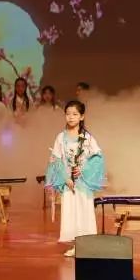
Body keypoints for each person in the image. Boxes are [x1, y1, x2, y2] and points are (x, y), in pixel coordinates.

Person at [45, 100, 105, 257]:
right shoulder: (61, 137)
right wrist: (66, 178)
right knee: (70, 213)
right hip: (68, 183)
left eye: (75, 114)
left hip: (83, 183)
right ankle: (75, 245)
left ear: (82, 116)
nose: (71, 117)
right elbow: (56, 159)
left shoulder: (87, 137)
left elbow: (97, 157)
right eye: (68, 114)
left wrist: (83, 169)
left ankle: (87, 245)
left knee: (84, 212)